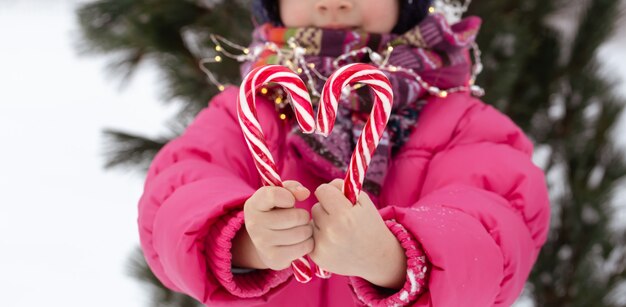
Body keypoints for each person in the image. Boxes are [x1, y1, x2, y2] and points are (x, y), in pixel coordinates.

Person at [137, 0, 551, 306]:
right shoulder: (246, 111)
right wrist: (243, 241)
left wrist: (390, 259)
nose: (333, 3)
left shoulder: (462, 123)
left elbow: (496, 231)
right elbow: (173, 201)